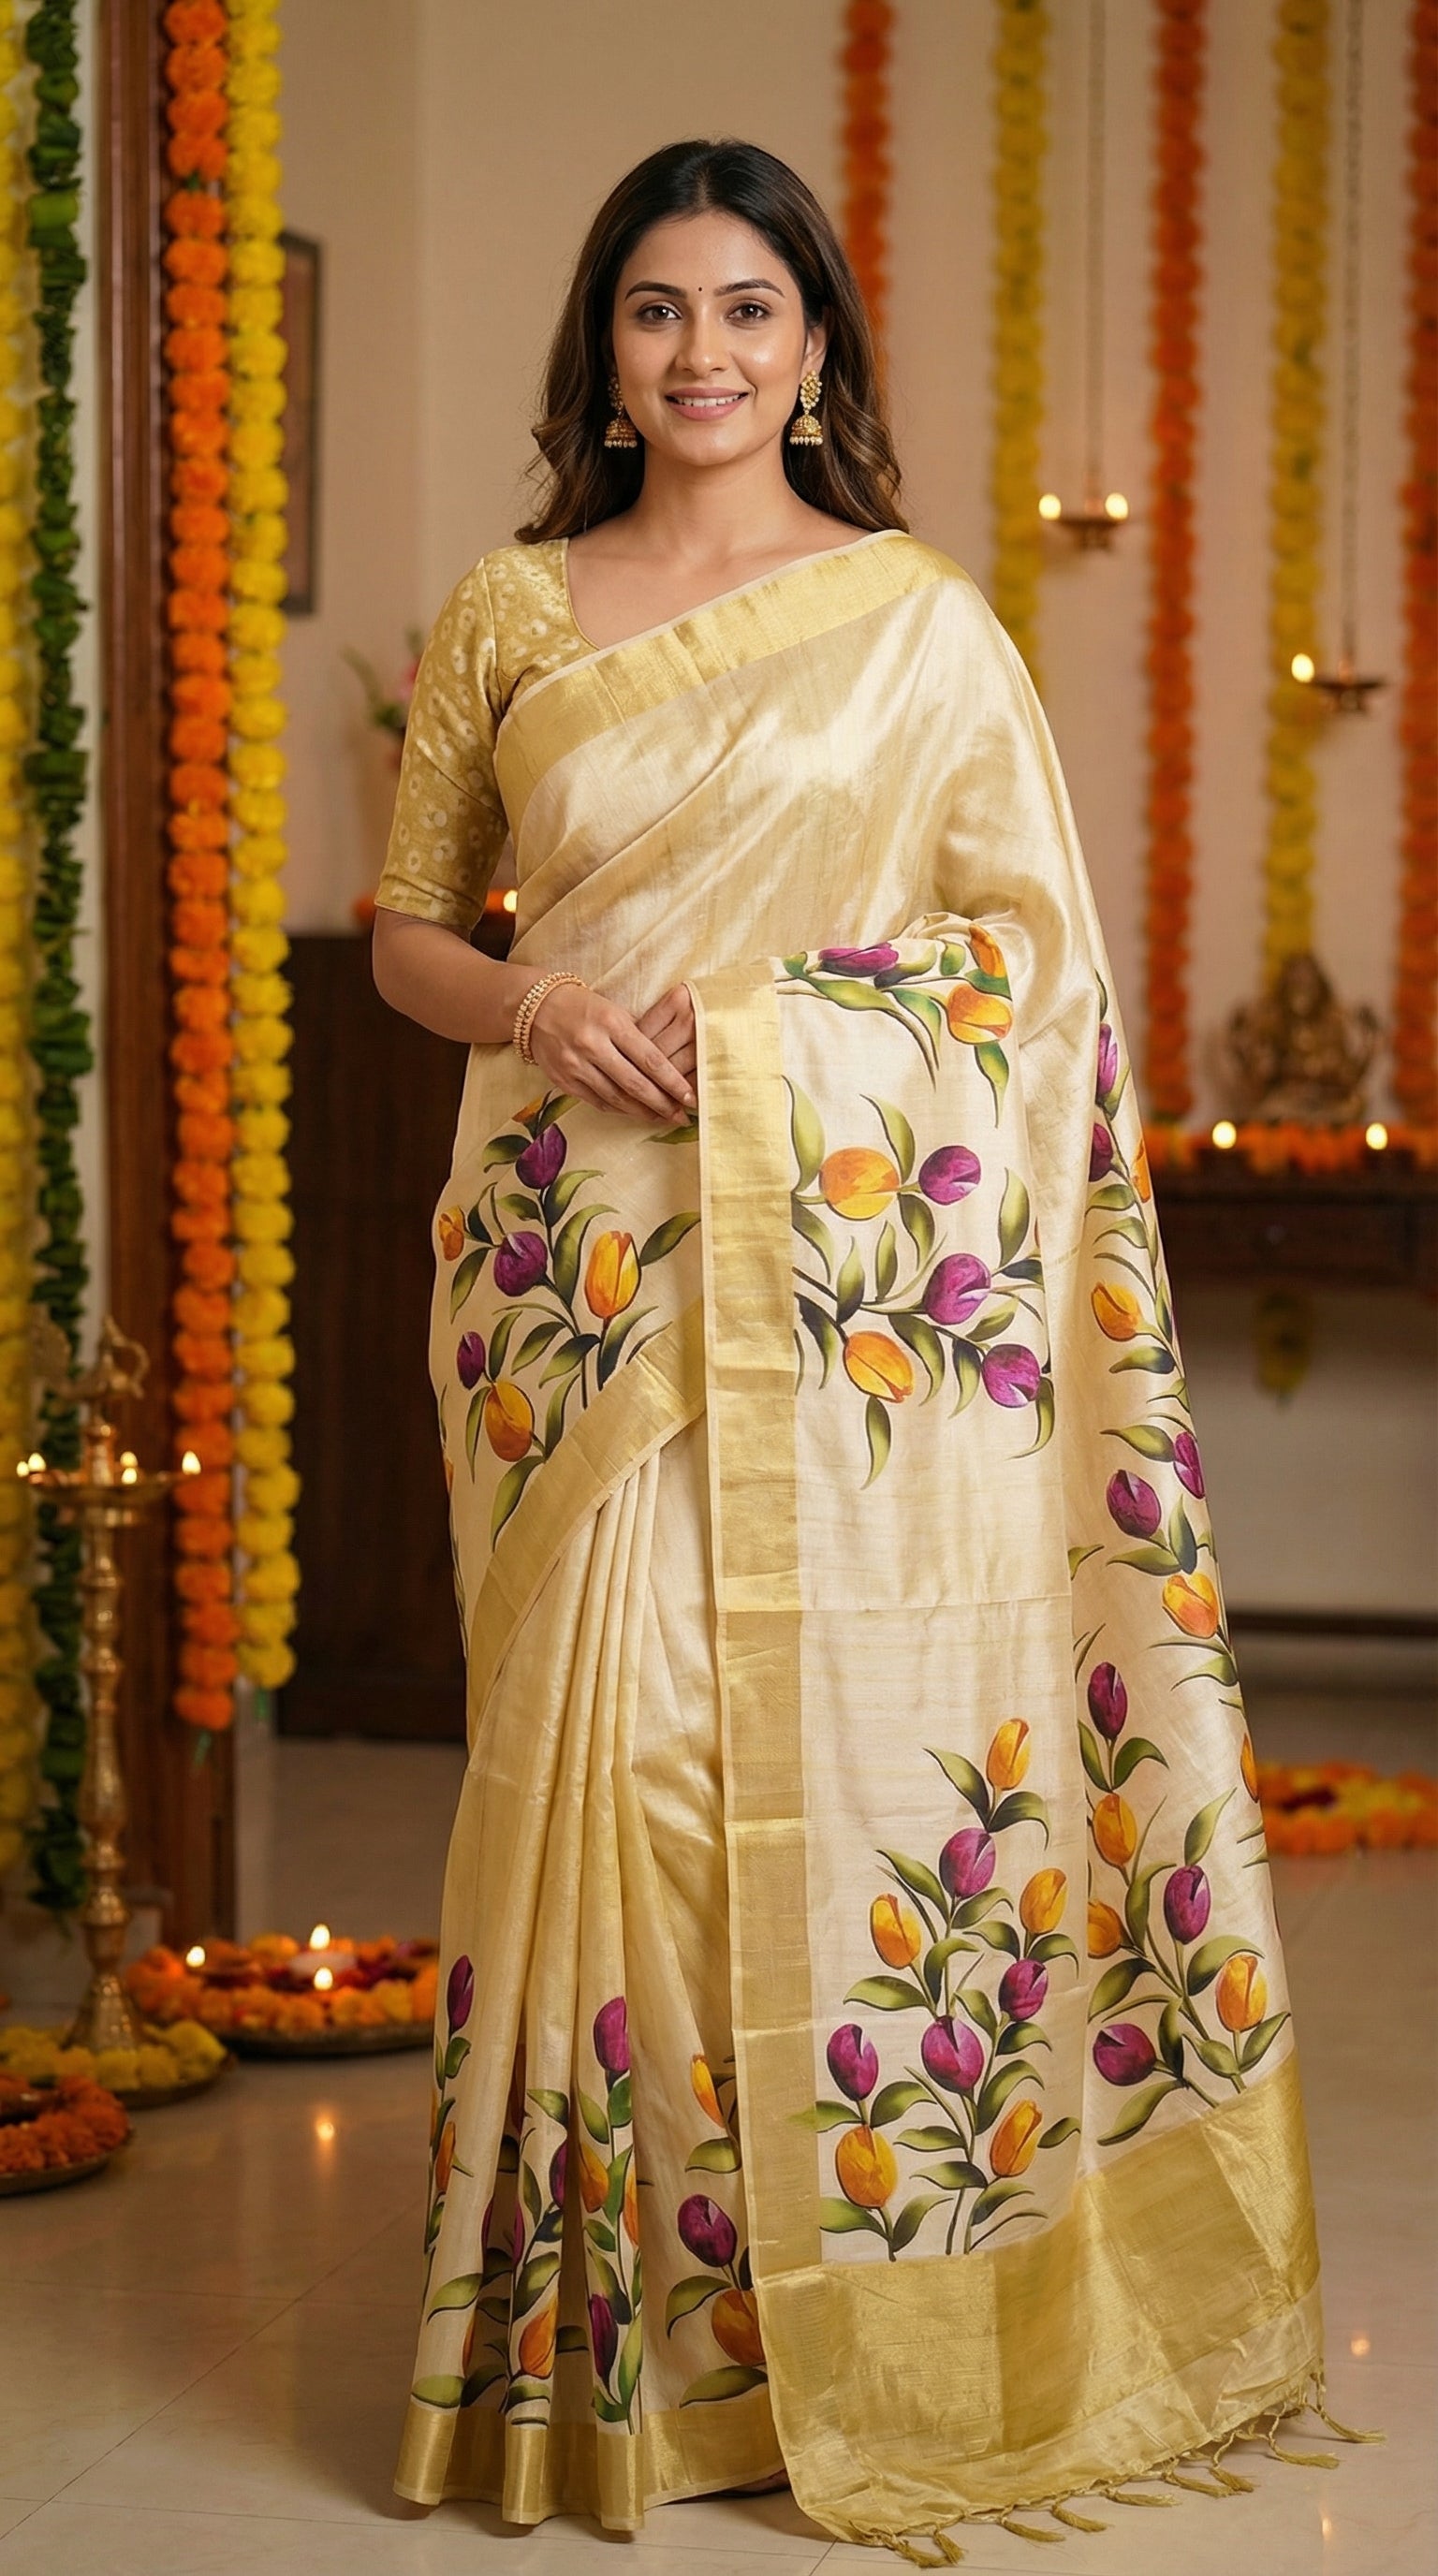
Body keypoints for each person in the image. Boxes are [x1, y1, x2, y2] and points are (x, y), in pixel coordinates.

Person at [373, 138, 1337, 2560]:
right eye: (658, 313)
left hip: (824, 1262)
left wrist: (792, 1036)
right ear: (604, 344)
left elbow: (1035, 971)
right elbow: (406, 942)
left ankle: (847, 2326)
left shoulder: (918, 627)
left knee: (767, 1756)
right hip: (569, 1263)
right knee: (603, 1774)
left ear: (818, 347)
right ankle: (618, 2345)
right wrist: (550, 1000)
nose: (701, 356)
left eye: (749, 312)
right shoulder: (513, 606)